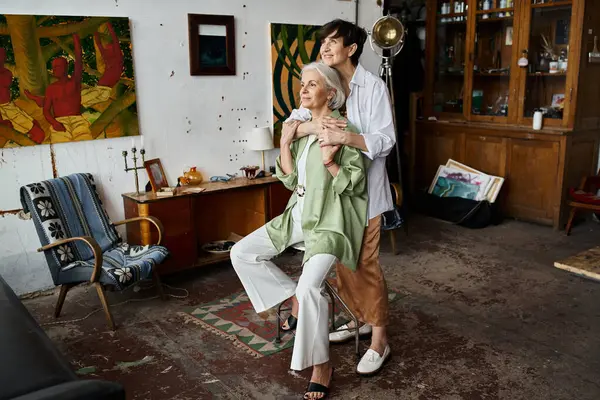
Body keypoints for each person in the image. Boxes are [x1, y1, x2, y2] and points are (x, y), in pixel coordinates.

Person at [230, 61, 368, 400]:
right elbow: (290, 179)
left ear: (331, 93)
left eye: (311, 84)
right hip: (296, 215)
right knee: (241, 253)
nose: (303, 89)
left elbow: (354, 183)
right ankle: (293, 295)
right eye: (302, 84)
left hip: (329, 223)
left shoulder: (342, 129)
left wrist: (331, 161)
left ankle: (321, 366)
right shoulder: (303, 127)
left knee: (311, 290)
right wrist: (286, 143)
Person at [284, 19, 395, 376]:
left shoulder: (373, 86)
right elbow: (292, 123)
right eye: (323, 43)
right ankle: (358, 318)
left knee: (366, 265)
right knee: (343, 264)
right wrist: (312, 127)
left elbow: (385, 140)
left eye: (334, 43)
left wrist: (346, 138)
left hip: (364, 196)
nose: (325, 48)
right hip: (330, 199)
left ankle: (379, 340)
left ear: (352, 49)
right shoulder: (322, 80)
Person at [40, 34, 92, 143]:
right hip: (59, 121)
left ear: (66, 67)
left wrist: (76, 40)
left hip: (78, 120)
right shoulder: (51, 88)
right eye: (53, 67)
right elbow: (46, 110)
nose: (54, 70)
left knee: (85, 146)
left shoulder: (74, 81)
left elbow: (78, 61)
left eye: (57, 66)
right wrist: (54, 123)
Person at [0, 48, 45, 144]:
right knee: (37, 134)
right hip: (3, 111)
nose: (1, 57)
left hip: (9, 107)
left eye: (2, 55)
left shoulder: (7, 73)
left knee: (39, 133)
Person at [81, 22, 124, 107]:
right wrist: (97, 32)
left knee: (94, 95)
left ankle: (79, 101)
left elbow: (102, 44)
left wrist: (97, 32)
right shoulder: (110, 54)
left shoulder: (110, 54)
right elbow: (101, 44)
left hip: (107, 82)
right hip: (108, 82)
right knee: (96, 95)